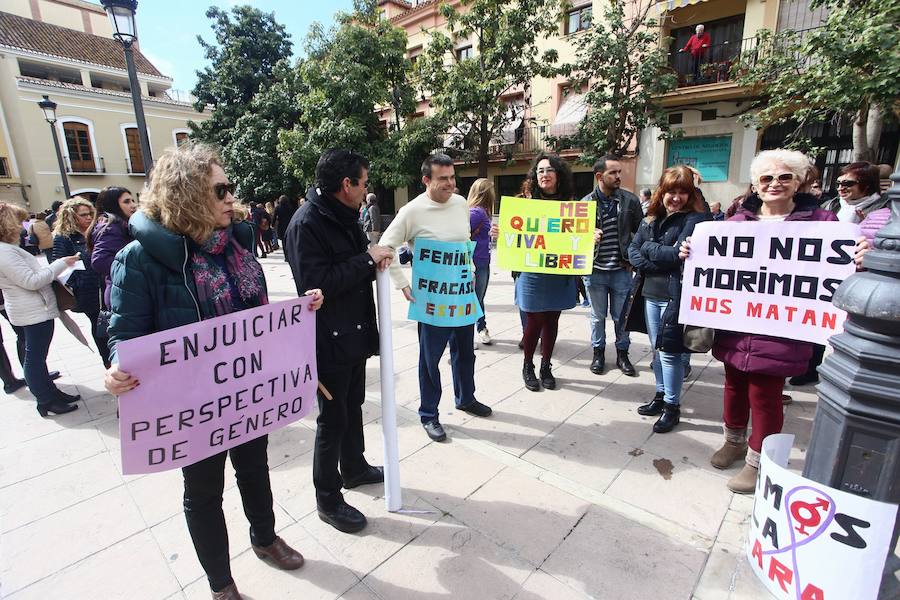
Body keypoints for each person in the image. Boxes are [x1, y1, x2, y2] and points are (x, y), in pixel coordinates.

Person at [103, 144, 313, 600]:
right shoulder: (138, 259)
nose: (230, 198)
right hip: (191, 406)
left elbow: (253, 315)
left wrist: (297, 318)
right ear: (187, 194)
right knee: (203, 493)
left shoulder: (235, 245)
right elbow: (122, 334)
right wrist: (116, 369)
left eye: (229, 187)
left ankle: (264, 538)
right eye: (219, 189)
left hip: (246, 396)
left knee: (255, 468)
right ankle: (221, 585)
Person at [680, 149, 864, 494]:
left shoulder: (823, 223)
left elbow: (839, 267)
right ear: (756, 184)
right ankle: (732, 440)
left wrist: (859, 255)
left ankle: (756, 460)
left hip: (782, 326)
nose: (774, 184)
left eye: (783, 177)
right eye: (766, 178)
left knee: (765, 394)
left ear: (797, 182)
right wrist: (691, 251)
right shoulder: (736, 223)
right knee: (733, 386)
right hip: (737, 324)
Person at [285, 149, 388, 534]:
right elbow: (319, 284)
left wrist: (370, 258)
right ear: (346, 185)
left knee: (353, 405)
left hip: (353, 333)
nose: (366, 190)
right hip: (326, 340)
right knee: (332, 419)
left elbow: (355, 259)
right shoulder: (306, 223)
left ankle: (354, 467)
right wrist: (366, 260)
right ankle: (328, 499)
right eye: (363, 183)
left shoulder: (342, 215)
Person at [380, 154, 493, 442]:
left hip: (462, 296)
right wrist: (401, 283)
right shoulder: (411, 211)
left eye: (453, 178)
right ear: (426, 180)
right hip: (432, 302)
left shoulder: (459, 205)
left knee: (465, 353)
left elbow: (462, 244)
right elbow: (385, 246)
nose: (451, 184)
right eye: (443, 179)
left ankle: (466, 398)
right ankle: (429, 414)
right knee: (430, 360)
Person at [626, 166, 709, 433]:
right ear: (662, 191)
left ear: (690, 194)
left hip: (675, 297)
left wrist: (652, 251)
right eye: (671, 191)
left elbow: (675, 256)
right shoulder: (651, 217)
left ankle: (672, 407)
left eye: (682, 192)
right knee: (656, 349)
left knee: (671, 353)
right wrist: (658, 257)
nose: (676, 197)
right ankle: (660, 396)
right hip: (648, 294)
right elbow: (633, 250)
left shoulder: (695, 220)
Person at [0, 202, 81, 416]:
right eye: (18, 221)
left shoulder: (7, 250)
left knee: (37, 356)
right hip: (32, 311)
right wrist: (60, 264)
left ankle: (51, 393)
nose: (22, 226)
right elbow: (31, 281)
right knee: (35, 358)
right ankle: (45, 400)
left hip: (32, 310)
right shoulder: (4, 252)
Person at [517, 152, 578, 391]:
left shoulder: (571, 205)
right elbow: (516, 236)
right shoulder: (525, 202)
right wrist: (501, 236)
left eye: (549, 170)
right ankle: (528, 365)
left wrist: (589, 239)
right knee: (534, 319)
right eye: (540, 170)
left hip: (559, 271)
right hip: (532, 271)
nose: (544, 174)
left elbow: (576, 237)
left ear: (558, 174)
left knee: (552, 319)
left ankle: (546, 365)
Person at [581, 155, 642, 376]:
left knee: (621, 316)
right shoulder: (585, 204)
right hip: (594, 270)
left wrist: (633, 260)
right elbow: (573, 239)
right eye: (613, 173)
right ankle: (598, 353)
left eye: (619, 172)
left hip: (621, 271)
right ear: (599, 176)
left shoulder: (630, 201)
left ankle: (622, 355)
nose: (618, 176)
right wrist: (588, 235)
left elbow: (640, 233)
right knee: (597, 317)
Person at [52, 197, 110, 367]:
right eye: (83, 215)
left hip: (105, 284)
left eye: (90, 213)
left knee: (111, 324)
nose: (88, 217)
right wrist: (77, 283)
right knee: (98, 325)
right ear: (71, 217)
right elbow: (58, 265)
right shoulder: (64, 238)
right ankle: (107, 361)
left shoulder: (98, 231)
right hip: (87, 291)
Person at [90, 186, 137, 315]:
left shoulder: (123, 225)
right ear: (113, 205)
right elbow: (99, 261)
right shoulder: (112, 228)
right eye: (127, 202)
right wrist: (134, 268)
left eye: (133, 200)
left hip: (125, 292)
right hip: (122, 295)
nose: (133, 205)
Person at [468, 178, 496, 346]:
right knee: (475, 299)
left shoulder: (480, 212)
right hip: (477, 262)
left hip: (480, 260)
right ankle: (466, 335)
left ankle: (481, 327)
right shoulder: (477, 213)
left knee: (478, 298)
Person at [273, 195, 297, 262]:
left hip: (281, 226)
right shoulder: (290, 207)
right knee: (291, 241)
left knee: (284, 242)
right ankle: (292, 255)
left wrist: (272, 224)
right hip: (290, 225)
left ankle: (286, 257)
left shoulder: (277, 207)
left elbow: (274, 217)